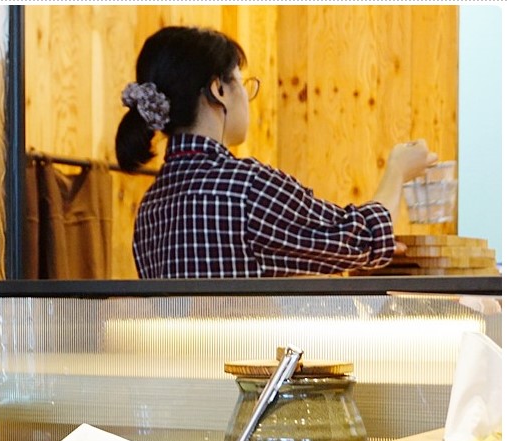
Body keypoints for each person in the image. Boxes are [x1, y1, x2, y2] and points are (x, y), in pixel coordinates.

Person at [115, 26, 438, 278]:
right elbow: (365, 239)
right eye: (242, 82)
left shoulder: (150, 205)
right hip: (248, 348)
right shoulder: (247, 187)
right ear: (219, 89)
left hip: (180, 349)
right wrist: (398, 170)